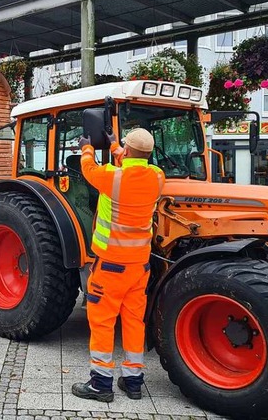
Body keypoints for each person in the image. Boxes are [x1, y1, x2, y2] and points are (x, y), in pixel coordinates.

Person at [71, 128, 165, 403]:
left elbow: (88, 168)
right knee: (134, 323)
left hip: (110, 267)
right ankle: (133, 381)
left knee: (102, 322)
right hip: (140, 268)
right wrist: (115, 147)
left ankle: (101, 384)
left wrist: (87, 146)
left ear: (129, 150)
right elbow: (132, 164)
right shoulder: (157, 177)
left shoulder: (111, 178)